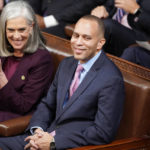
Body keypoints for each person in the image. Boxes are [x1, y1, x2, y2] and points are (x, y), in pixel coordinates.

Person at [0, 15, 125, 150]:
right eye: (76, 35)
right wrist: (38, 130)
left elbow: (103, 133)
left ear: (100, 43)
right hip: (42, 136)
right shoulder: (67, 64)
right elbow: (48, 104)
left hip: (69, 145)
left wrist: (54, 142)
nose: (78, 42)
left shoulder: (111, 79)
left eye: (86, 38)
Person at [0, 1, 54, 122]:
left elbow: (23, 106)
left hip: (15, 118)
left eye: (21, 29)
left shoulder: (42, 59)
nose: (16, 36)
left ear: (32, 27)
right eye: (11, 30)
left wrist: (2, 80)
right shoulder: (3, 50)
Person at [27, 0, 105, 38]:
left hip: (66, 22)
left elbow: (88, 3)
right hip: (37, 15)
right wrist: (32, 14)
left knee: (32, 38)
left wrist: (47, 21)